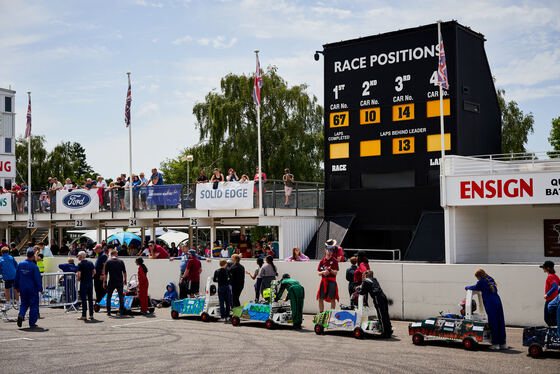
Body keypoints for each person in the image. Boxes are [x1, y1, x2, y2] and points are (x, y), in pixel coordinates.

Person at [465, 269, 508, 350]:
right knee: (500, 322)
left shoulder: (481, 282)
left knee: (493, 323)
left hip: (490, 303)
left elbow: (474, 287)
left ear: (478, 276)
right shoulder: (490, 279)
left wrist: (466, 287)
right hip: (498, 301)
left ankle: (496, 344)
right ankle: (503, 343)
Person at [14, 248, 43, 328]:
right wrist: (41, 289)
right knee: (33, 305)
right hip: (32, 288)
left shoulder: (20, 264)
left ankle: (21, 314)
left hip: (23, 287)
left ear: (26, 255)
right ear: (33, 256)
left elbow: (17, 277)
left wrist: (16, 286)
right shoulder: (34, 266)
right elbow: (38, 279)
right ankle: (32, 323)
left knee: (24, 304)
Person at [358, 270, 392, 337]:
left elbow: (362, 292)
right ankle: (389, 330)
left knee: (381, 315)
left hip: (377, 297)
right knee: (385, 314)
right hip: (383, 296)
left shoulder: (366, 281)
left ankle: (384, 332)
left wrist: (358, 289)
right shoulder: (374, 279)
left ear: (366, 275)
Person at [103, 250, 127, 316]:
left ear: (111, 254)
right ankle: (121, 311)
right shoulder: (121, 261)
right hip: (119, 281)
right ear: (115, 254)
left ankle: (108, 311)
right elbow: (124, 272)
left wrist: (104, 282)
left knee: (109, 296)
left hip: (112, 281)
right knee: (121, 296)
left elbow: (105, 273)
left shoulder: (108, 262)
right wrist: (125, 279)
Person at [317, 246, 339, 312]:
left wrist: (330, 270)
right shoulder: (322, 261)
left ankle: (331, 313)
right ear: (325, 250)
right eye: (329, 250)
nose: (330, 252)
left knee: (332, 298)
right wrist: (323, 272)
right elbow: (319, 273)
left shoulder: (334, 260)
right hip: (324, 281)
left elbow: (335, 273)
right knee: (320, 298)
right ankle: (321, 313)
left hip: (331, 281)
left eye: (332, 250)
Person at [76, 251, 95, 320]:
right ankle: (91, 315)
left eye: (78, 256)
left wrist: (78, 278)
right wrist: (90, 277)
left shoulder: (80, 264)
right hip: (90, 282)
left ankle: (84, 315)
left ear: (81, 256)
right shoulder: (90, 263)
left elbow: (79, 273)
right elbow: (94, 272)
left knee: (84, 299)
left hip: (83, 282)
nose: (78, 257)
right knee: (90, 299)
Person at [540, 261, 560, 327]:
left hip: (550, 300)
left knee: (547, 318)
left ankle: (553, 333)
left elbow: (554, 286)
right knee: (553, 318)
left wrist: (547, 294)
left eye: (544, 268)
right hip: (555, 300)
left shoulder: (550, 277)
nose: (543, 269)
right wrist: (558, 292)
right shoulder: (555, 276)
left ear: (548, 268)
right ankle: (556, 331)